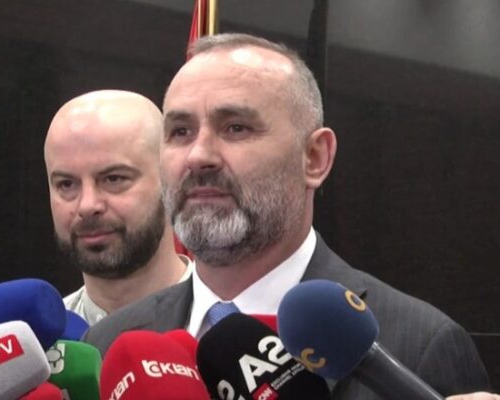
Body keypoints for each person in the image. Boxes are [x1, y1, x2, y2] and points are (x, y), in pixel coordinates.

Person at [82, 34, 490, 397]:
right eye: (180, 132)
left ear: (314, 158)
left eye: (236, 127)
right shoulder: (109, 343)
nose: (199, 155)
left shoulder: (418, 345)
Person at [44, 90, 192, 325]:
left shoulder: (227, 333)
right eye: (67, 184)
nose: (87, 205)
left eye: (113, 179)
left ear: (170, 181)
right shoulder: (38, 340)